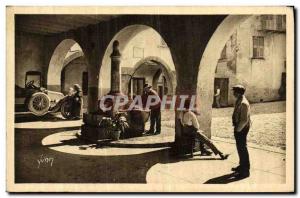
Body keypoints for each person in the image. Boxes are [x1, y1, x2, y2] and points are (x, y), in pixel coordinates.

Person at [231, 85, 251, 177]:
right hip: (239, 127)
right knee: (240, 148)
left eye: (234, 92)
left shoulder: (243, 103)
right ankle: (241, 165)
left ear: (238, 93)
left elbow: (244, 120)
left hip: (242, 128)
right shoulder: (239, 100)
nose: (233, 93)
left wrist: (237, 130)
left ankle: (245, 170)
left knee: (242, 148)